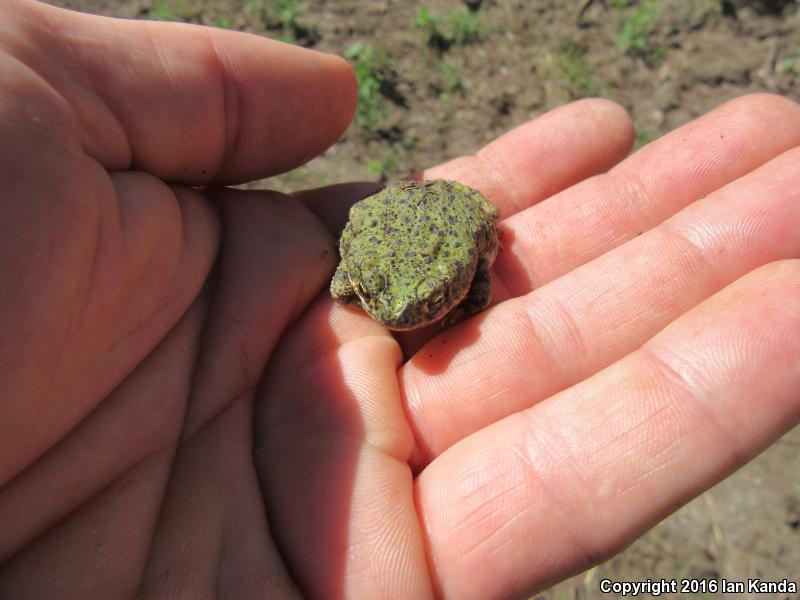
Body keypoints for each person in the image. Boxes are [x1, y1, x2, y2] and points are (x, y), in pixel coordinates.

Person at [0, 0, 798, 598]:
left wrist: (466, 282)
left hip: (447, 225)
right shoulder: (360, 277)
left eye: (437, 301)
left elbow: (467, 269)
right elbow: (353, 280)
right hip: (393, 238)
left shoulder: (460, 249)